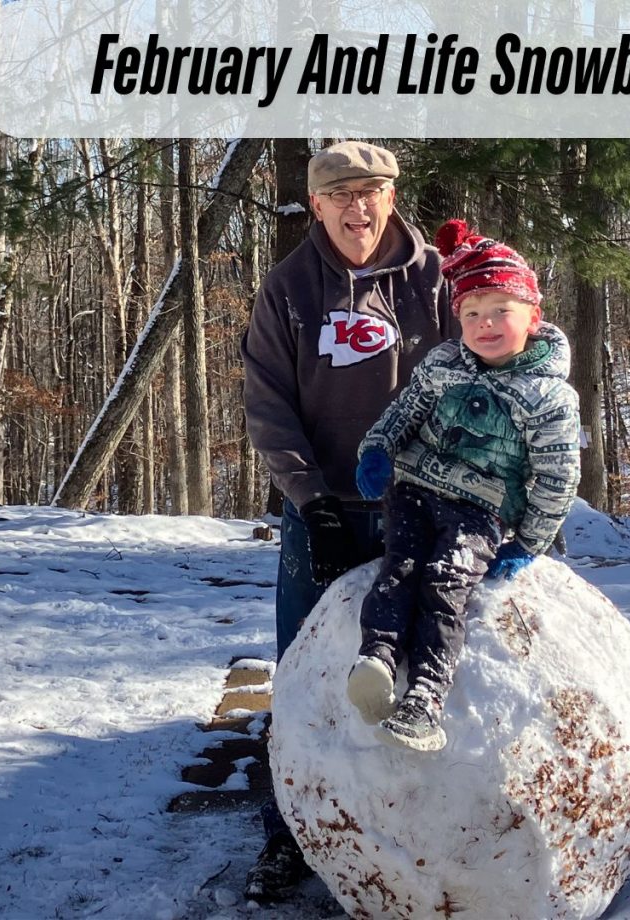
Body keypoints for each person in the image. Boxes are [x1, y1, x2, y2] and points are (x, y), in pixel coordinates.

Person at [240, 141, 453, 899]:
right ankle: (289, 834)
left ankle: (422, 826)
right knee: (303, 673)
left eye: (372, 192)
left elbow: (487, 372)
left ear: (391, 197)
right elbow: (267, 402)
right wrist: (309, 499)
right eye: (341, 195)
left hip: (419, 505)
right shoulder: (291, 287)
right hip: (323, 509)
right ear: (317, 205)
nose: (358, 208)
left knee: (418, 660)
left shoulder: (435, 280)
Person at [347, 219, 581, 752]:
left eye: (502, 311)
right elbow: (405, 411)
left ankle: (425, 698)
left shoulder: (548, 397)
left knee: (444, 582)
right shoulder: (444, 363)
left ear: (533, 316)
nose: (486, 324)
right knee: (398, 567)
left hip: (481, 509)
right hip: (414, 488)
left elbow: (557, 475)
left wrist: (529, 542)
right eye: (472, 313)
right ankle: (377, 659)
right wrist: (379, 449)